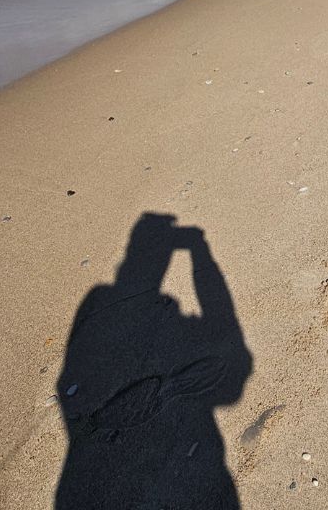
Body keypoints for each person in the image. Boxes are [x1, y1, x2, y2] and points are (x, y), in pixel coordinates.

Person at [55, 213, 252, 510]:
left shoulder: (98, 298)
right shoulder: (100, 299)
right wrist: (200, 249)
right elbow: (231, 378)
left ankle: (108, 429)